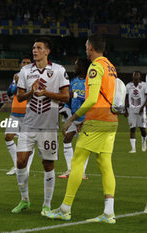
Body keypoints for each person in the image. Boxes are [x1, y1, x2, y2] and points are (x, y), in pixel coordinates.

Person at [46, 34, 118, 224]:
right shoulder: (111, 67)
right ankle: (108, 213)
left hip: (97, 121)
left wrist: (72, 119)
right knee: (105, 165)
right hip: (111, 121)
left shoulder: (95, 67)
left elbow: (93, 99)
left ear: (91, 48)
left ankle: (65, 209)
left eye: (87, 46)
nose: (86, 49)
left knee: (77, 162)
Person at [12, 37, 70, 215]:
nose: (34, 50)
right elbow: (20, 97)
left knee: (47, 164)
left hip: (48, 127)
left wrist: (46, 93)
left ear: (47, 51)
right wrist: (32, 91)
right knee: (20, 161)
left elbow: (66, 97)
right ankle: (24, 200)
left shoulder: (59, 70)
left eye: (38, 48)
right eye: (33, 48)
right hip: (28, 125)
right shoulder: (25, 71)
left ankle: (46, 204)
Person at [58, 58, 91, 180]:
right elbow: (69, 99)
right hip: (73, 116)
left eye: (76, 65)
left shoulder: (89, 81)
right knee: (67, 139)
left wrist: (77, 95)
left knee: (83, 146)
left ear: (82, 66)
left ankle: (82, 172)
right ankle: (70, 169)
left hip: (85, 118)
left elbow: (91, 100)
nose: (74, 67)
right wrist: (65, 110)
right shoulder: (74, 81)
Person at [5, 55, 34, 176]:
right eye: (23, 62)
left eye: (28, 62)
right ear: (20, 64)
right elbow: (10, 92)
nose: (25, 63)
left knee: (28, 142)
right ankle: (18, 165)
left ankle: (26, 168)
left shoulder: (34, 76)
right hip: (15, 113)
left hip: (28, 114)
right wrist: (16, 84)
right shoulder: (16, 75)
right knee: (8, 137)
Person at [124, 71, 147, 153]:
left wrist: (143, 107)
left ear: (140, 77)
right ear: (132, 78)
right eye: (134, 78)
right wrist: (125, 109)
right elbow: (126, 98)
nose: (136, 79)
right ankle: (133, 149)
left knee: (143, 129)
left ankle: (144, 141)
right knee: (132, 128)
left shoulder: (144, 85)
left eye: (137, 78)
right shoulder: (128, 86)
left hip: (141, 110)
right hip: (131, 110)